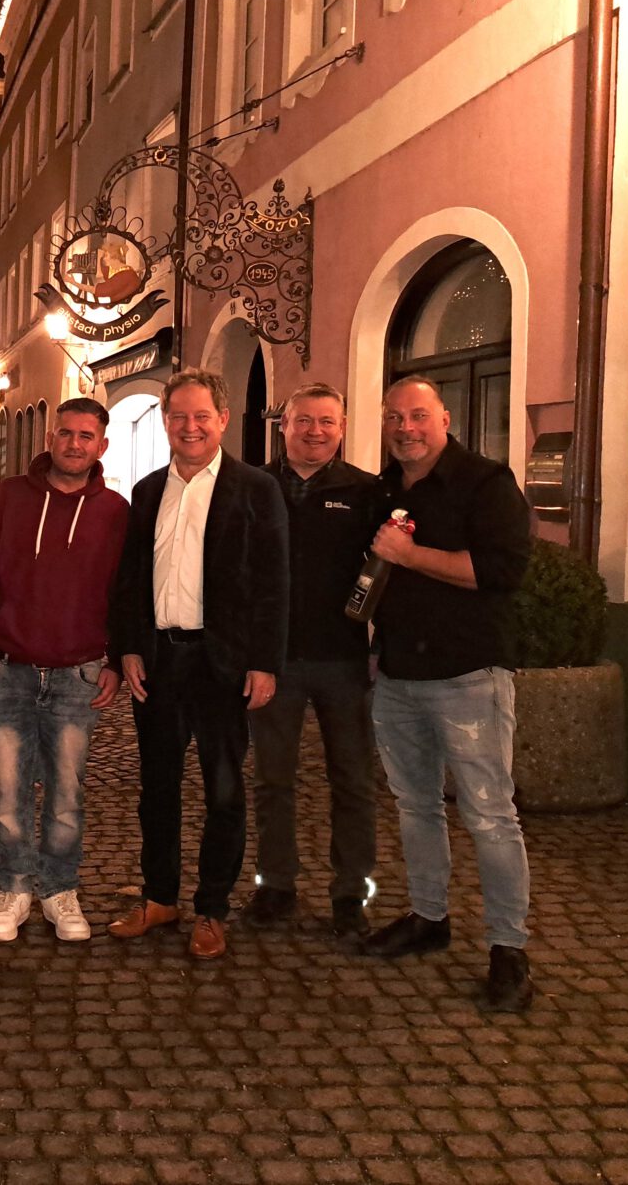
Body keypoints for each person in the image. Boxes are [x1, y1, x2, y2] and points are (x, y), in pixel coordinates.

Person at [360, 377, 535, 1013]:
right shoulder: (385, 487)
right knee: (415, 806)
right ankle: (429, 918)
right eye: (394, 418)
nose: (406, 427)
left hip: (468, 678)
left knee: (490, 815)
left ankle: (508, 949)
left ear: (445, 418)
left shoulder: (486, 483)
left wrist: (410, 555)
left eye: (418, 416)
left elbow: (501, 571)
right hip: (399, 676)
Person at [108, 370, 289, 960]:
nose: (189, 427)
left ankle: (212, 907)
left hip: (223, 666)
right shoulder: (148, 489)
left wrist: (264, 662)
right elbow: (132, 577)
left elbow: (273, 583)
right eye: (178, 416)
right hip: (160, 660)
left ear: (223, 420)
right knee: (156, 789)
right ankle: (160, 897)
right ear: (164, 421)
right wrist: (128, 647)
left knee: (224, 791)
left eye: (200, 416)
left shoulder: (256, 489)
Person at [0, 397, 128, 944]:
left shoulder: (114, 511)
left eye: (86, 436)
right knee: (8, 791)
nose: (74, 443)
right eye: (66, 433)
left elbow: (126, 592)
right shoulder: (9, 497)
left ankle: (59, 888)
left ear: (101, 446)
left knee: (65, 793)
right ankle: (14, 887)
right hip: (7, 668)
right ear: (50, 438)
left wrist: (117, 660)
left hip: (77, 673)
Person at [243, 383, 383, 940]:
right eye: (304, 421)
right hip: (272, 661)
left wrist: (379, 646)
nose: (315, 431)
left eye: (327, 422)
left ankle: (352, 890)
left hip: (343, 661)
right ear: (284, 425)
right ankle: (276, 883)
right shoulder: (255, 487)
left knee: (352, 778)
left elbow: (384, 573)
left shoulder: (367, 491)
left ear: (342, 428)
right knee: (273, 779)